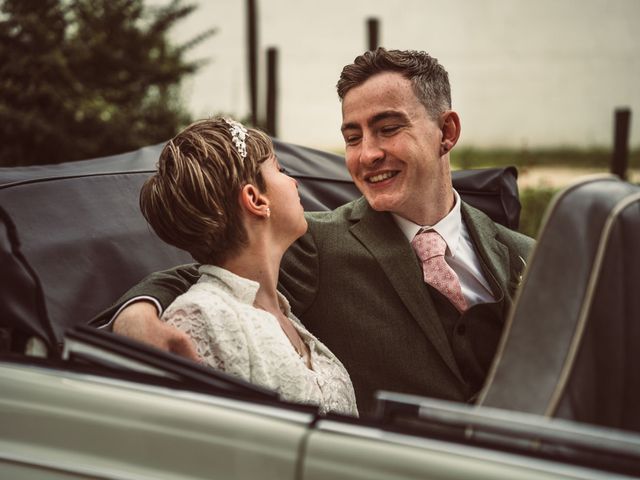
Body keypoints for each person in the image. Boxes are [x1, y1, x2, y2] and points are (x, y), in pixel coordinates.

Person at [94, 48, 534, 415]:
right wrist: (138, 312)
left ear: (447, 132)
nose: (368, 155)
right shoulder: (320, 245)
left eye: (387, 128)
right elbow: (215, 273)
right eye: (353, 137)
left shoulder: (527, 255)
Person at [131, 117, 357, 416]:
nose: (294, 181)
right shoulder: (201, 319)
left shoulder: (286, 314)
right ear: (254, 198)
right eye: (280, 170)